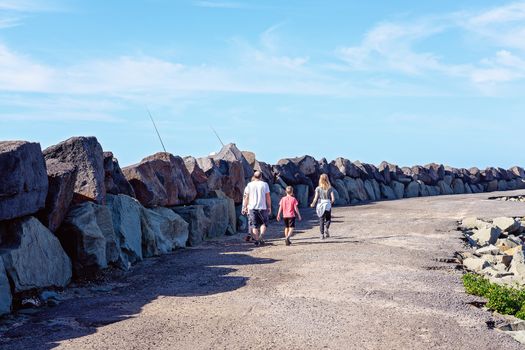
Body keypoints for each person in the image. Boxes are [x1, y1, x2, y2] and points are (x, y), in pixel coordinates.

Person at [242, 171, 271, 246]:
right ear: (261, 176)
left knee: (254, 225)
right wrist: (269, 207)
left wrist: (244, 207)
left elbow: (246, 197)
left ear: (254, 176)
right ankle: (261, 236)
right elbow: (268, 197)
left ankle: (257, 239)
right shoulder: (265, 184)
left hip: (252, 208)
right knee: (263, 223)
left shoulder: (249, 185)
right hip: (262, 207)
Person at [310, 174, 335, 239]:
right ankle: (326, 228)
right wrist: (331, 202)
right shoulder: (330, 188)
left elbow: (315, 198)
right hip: (327, 204)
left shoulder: (318, 188)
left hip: (320, 204)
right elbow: (333, 198)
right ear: (327, 179)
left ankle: (322, 234)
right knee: (328, 218)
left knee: (321, 219)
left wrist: (313, 203)